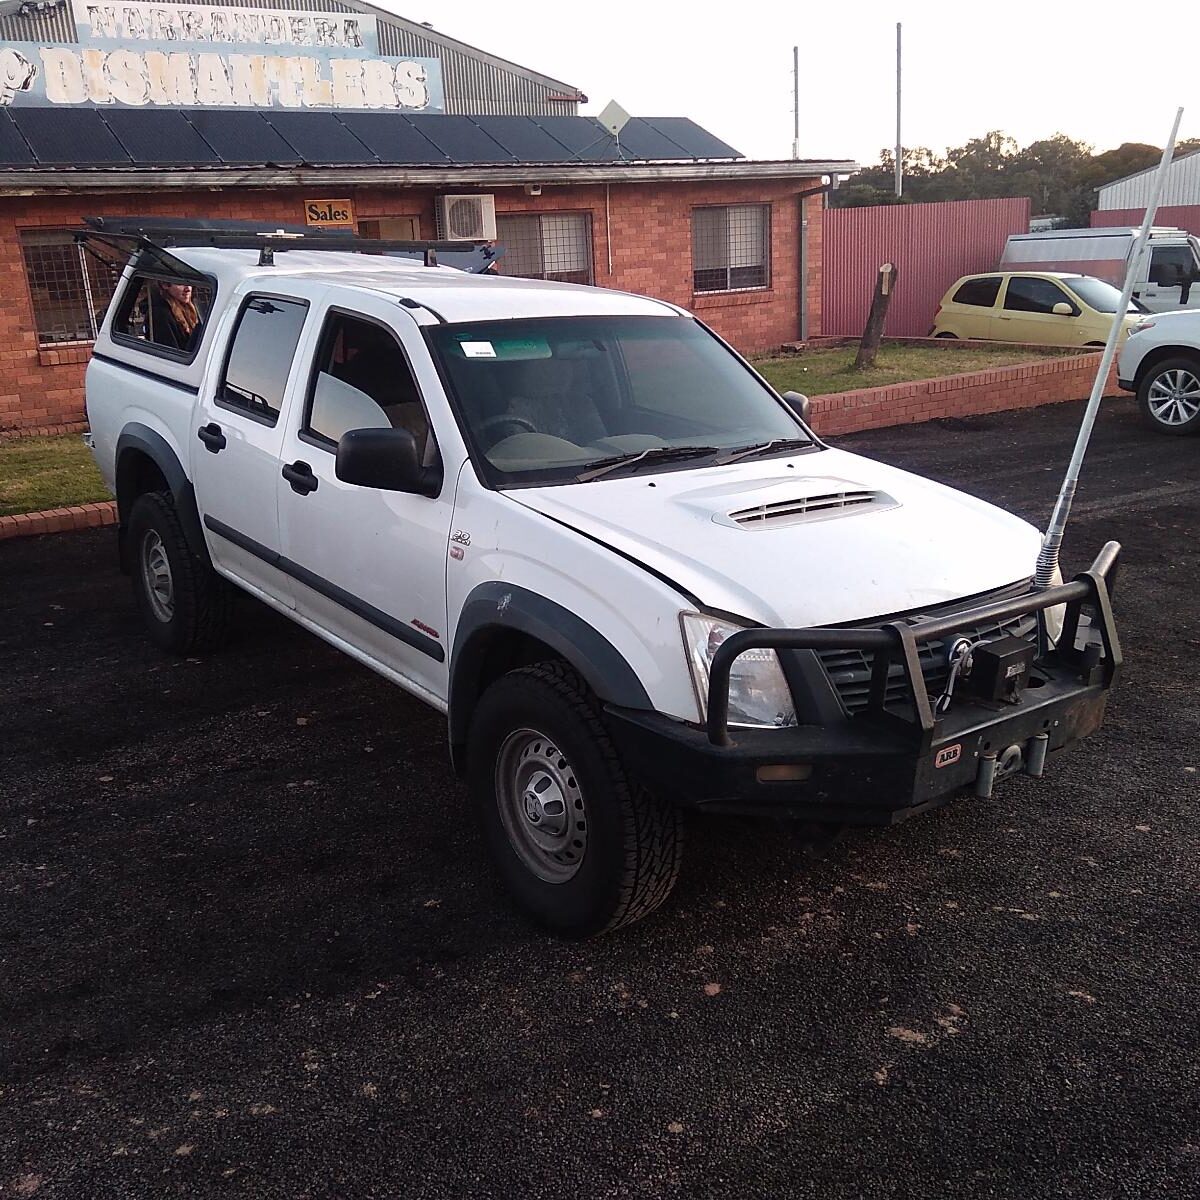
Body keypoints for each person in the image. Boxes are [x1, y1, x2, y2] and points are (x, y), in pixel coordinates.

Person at [148, 281, 203, 352]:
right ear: (165, 285)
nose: (188, 289)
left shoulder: (193, 308)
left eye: (190, 283)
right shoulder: (161, 315)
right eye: (180, 283)